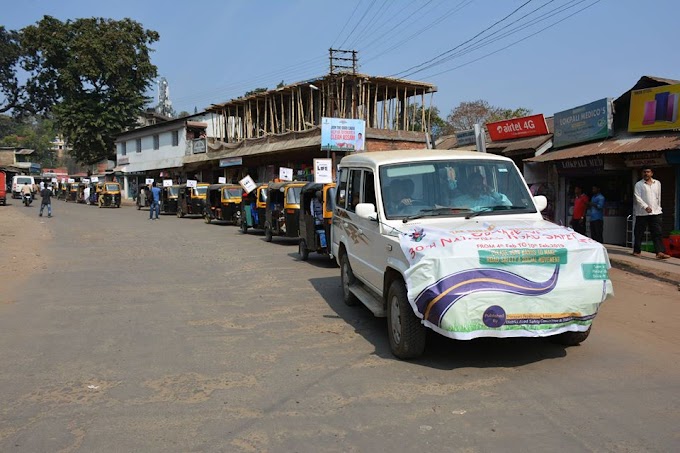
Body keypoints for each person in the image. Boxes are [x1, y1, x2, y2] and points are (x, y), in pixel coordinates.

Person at [633, 168, 670, 259]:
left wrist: (658, 208)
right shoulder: (639, 184)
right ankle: (637, 251)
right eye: (644, 172)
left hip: (656, 212)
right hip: (642, 213)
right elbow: (637, 197)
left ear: (652, 173)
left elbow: (658, 197)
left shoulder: (657, 183)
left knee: (657, 232)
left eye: (648, 172)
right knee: (639, 232)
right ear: (642, 173)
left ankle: (660, 252)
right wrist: (645, 207)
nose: (646, 173)